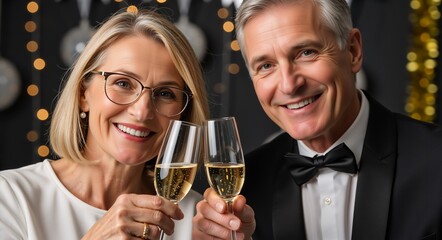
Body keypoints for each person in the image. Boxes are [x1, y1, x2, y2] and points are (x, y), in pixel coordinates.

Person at [192, 0, 442, 239]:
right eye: (266, 66)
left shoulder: (435, 159)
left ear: (353, 51)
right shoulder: (242, 191)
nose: (289, 85)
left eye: (306, 53)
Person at [0, 9, 209, 240]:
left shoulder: (196, 219)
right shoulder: (10, 197)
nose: (142, 112)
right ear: (83, 93)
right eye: (123, 83)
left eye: (165, 93)